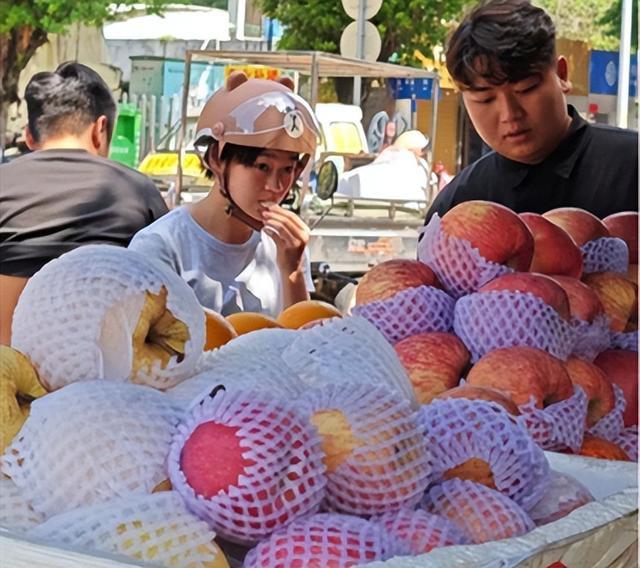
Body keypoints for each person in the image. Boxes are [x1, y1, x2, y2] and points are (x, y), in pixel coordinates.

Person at [424, 0, 638, 225]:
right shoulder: (456, 206)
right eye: (485, 99)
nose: (510, 114)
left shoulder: (633, 167)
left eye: (526, 89)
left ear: (561, 75)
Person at [0, 62, 168, 344]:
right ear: (100, 129)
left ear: (29, 136)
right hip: (110, 378)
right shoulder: (138, 190)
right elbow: (168, 293)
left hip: (7, 373)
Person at [128, 71, 320, 316]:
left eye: (288, 169)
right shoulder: (161, 247)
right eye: (262, 166)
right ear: (217, 159)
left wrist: (292, 272)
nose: (276, 185)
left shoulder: (286, 245)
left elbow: (305, 345)